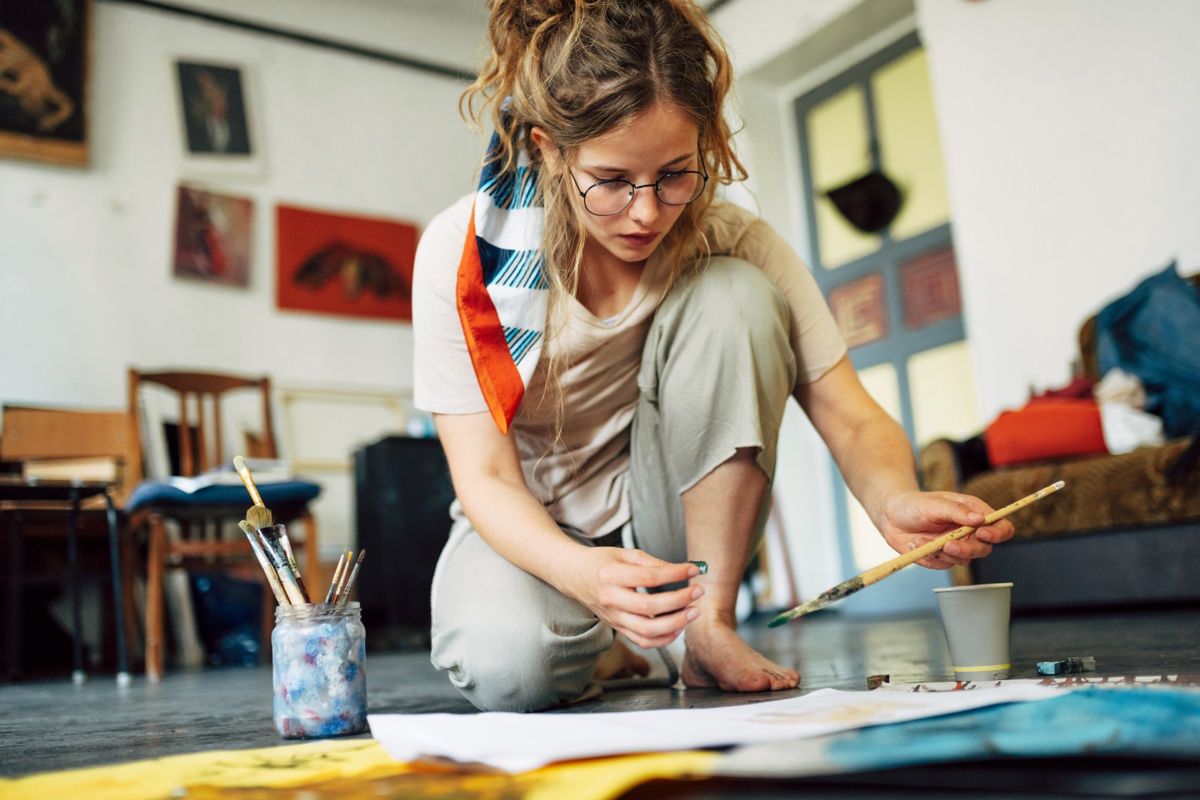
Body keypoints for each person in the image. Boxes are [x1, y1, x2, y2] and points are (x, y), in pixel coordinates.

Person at [412, 0, 1014, 713]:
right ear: (548, 149)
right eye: (610, 181)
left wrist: (895, 498)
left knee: (739, 295)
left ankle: (708, 626)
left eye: (675, 174)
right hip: (534, 522)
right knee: (510, 671)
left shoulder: (730, 235)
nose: (645, 212)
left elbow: (849, 414)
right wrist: (582, 574)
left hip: (672, 521)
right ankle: (612, 643)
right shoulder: (464, 253)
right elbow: (483, 474)